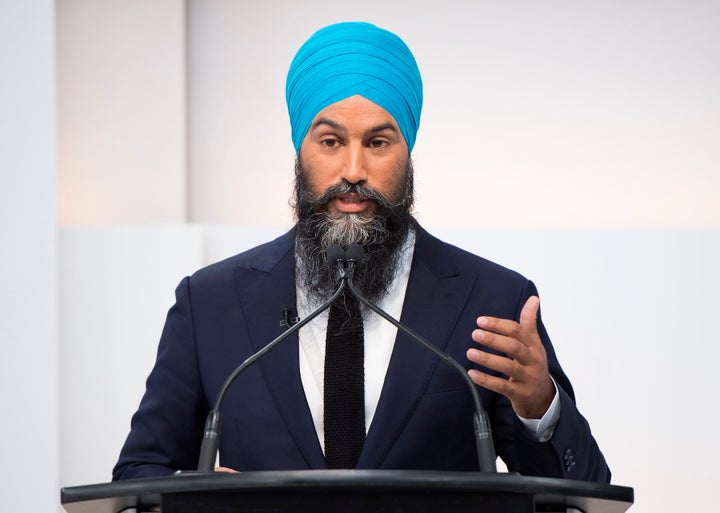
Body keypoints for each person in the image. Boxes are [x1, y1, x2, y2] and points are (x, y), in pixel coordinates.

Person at [113, 21, 609, 482]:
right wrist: (196, 500)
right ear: (300, 150)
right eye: (330, 141)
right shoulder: (210, 304)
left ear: (407, 150)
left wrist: (540, 405)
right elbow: (138, 473)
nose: (353, 169)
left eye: (377, 142)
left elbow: (585, 495)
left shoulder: (493, 301)